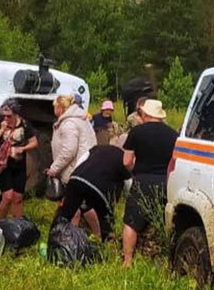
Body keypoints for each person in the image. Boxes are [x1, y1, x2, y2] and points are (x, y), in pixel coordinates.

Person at [121, 99, 178, 267]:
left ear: (145, 114)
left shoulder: (137, 132)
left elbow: (126, 161)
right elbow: (174, 162)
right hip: (164, 182)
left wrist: (134, 169)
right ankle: (164, 260)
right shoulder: (173, 134)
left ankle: (128, 261)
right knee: (163, 221)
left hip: (142, 180)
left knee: (131, 222)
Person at [56, 145, 131, 240]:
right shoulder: (126, 159)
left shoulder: (98, 148)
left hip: (76, 179)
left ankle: (59, 242)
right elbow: (130, 186)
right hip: (99, 189)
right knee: (105, 219)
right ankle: (106, 244)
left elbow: (80, 161)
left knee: (66, 215)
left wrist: (74, 179)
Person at [0, 99, 38, 219]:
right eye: (4, 115)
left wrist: (23, 148)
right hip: (3, 163)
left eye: (9, 116)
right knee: (7, 196)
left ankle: (18, 225)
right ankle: (0, 223)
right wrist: (1, 130)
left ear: (16, 115)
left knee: (18, 197)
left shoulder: (24, 124)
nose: (6, 118)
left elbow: (34, 142)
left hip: (19, 163)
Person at [47, 95, 97, 186]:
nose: (53, 109)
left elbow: (68, 151)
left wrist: (54, 169)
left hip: (74, 171)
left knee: (70, 199)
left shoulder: (69, 124)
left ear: (60, 108)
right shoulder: (82, 119)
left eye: (55, 106)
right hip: (86, 168)